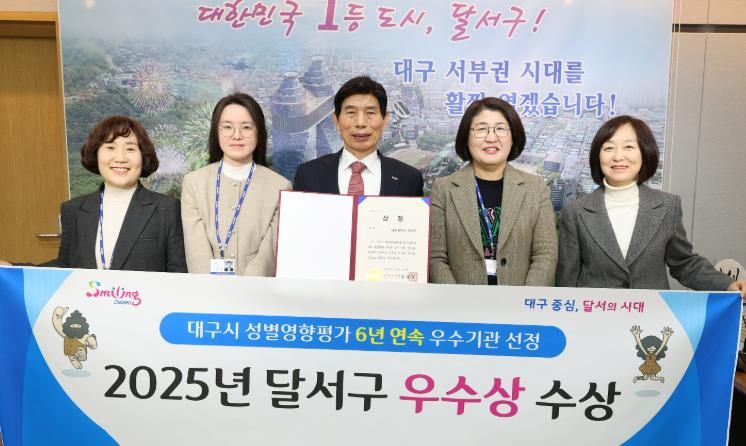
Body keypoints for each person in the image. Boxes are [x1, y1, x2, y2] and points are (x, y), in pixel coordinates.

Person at [556, 115, 746, 297]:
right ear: (597, 155)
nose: (618, 156)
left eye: (629, 147)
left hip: (652, 315)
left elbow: (684, 263)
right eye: (609, 148)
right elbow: (567, 277)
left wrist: (727, 284)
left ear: (644, 152)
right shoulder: (575, 211)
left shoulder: (668, 206)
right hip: (595, 315)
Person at [24, 116, 186, 272]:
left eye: (130, 149)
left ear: (143, 157)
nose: (120, 158)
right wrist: (14, 269)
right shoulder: (73, 209)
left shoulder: (167, 209)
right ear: (96, 154)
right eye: (110, 147)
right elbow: (65, 265)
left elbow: (178, 273)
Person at [429, 97, 557, 285]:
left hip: (518, 300)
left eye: (500, 129)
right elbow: (436, 257)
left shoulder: (536, 188)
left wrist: (524, 300)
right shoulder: (443, 189)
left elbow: (545, 253)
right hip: (461, 300)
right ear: (466, 137)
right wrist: (457, 300)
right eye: (481, 129)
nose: (491, 137)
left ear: (513, 137)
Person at [181, 92, 291, 276]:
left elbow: (269, 255)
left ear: (259, 132)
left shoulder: (280, 187)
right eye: (227, 127)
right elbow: (196, 251)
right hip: (207, 290)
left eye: (246, 127)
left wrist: (245, 289)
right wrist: (212, 288)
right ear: (216, 132)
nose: (236, 135)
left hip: (258, 290)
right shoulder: (194, 183)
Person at [293, 76, 423, 196]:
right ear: (336, 120)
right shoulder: (308, 174)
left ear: (385, 120)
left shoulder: (409, 179)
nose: (360, 123)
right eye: (351, 113)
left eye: (370, 113)